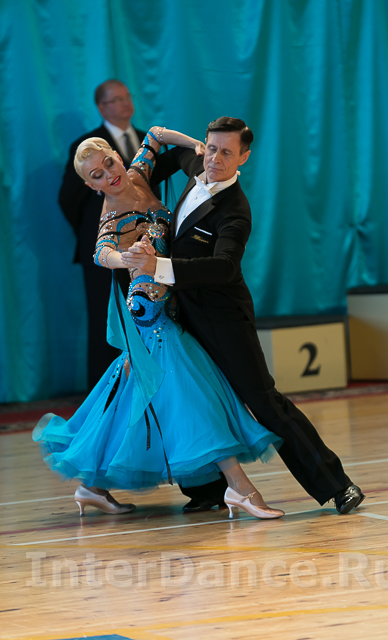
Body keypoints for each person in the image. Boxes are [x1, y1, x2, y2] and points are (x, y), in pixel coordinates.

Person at [33, 126, 285, 521]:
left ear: (118, 157)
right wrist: (128, 259)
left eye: (109, 163)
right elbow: (101, 253)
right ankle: (240, 487)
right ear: (90, 185)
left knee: (137, 394)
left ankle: (92, 486)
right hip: (149, 309)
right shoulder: (111, 217)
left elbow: (154, 135)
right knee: (191, 392)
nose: (109, 175)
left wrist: (195, 144)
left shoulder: (137, 174)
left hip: (169, 302)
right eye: (97, 175)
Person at [125, 116, 365, 515]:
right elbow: (160, 159)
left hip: (223, 319)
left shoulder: (236, 210)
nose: (215, 159)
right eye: (211, 148)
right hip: (181, 315)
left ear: (244, 158)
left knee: (264, 402)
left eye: (227, 152)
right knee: (189, 399)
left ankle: (337, 485)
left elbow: (225, 268)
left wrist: (158, 266)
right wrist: (133, 191)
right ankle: (207, 491)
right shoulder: (196, 164)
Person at [59, 79, 159, 387]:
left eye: (127, 96)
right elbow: (69, 200)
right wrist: (105, 232)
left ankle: (153, 389)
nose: (126, 103)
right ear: (102, 107)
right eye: (117, 99)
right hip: (107, 256)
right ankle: (109, 394)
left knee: (152, 319)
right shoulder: (84, 147)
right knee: (108, 322)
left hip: (149, 252)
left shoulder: (145, 140)